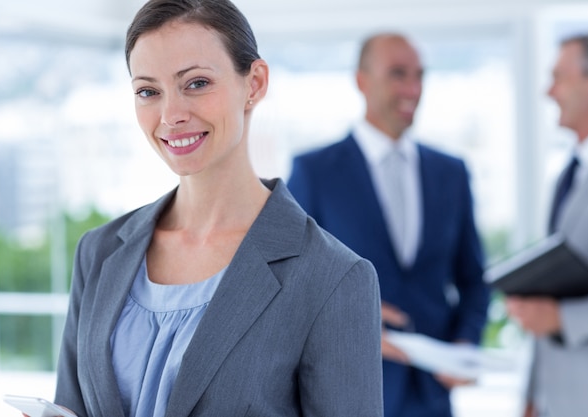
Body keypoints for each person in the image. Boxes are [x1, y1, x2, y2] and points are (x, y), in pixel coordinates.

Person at [51, 0, 384, 416]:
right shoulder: (98, 253)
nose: (171, 115)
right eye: (148, 91)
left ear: (255, 83)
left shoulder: (332, 278)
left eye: (196, 84)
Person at [287, 33, 490, 417]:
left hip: (432, 398)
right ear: (361, 80)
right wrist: (352, 323)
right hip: (345, 392)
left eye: (419, 75)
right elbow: (289, 284)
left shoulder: (451, 173)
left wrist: (465, 343)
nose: (413, 88)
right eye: (398, 74)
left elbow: (473, 279)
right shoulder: (315, 172)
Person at [506, 34, 588, 417]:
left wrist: (562, 317)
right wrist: (533, 396)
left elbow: (557, 313)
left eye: (560, 77)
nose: (548, 91)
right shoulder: (568, 175)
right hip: (555, 401)